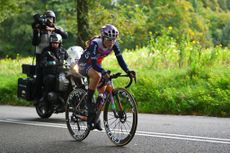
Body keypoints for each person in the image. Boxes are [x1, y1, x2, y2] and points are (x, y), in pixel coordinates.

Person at [78, 24, 136, 131]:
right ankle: (88, 102)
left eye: (114, 39)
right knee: (98, 75)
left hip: (96, 65)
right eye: (109, 39)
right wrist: (103, 71)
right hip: (84, 64)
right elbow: (94, 63)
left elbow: (120, 60)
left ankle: (95, 118)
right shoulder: (95, 44)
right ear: (103, 37)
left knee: (102, 93)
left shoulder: (114, 45)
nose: (112, 42)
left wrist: (128, 71)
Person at [32, 10, 68, 101]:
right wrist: (37, 31)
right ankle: (38, 98)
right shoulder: (40, 29)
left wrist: (54, 29)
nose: (49, 20)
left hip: (55, 53)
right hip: (41, 55)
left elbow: (65, 35)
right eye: (48, 18)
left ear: (54, 19)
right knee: (40, 76)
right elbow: (34, 42)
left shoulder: (56, 28)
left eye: (51, 18)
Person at [39, 33, 68, 108]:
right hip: (50, 73)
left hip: (61, 73)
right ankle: (45, 100)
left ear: (59, 43)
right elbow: (42, 62)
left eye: (56, 43)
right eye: (53, 43)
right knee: (50, 79)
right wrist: (50, 62)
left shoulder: (63, 51)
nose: (54, 44)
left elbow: (69, 59)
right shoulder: (46, 51)